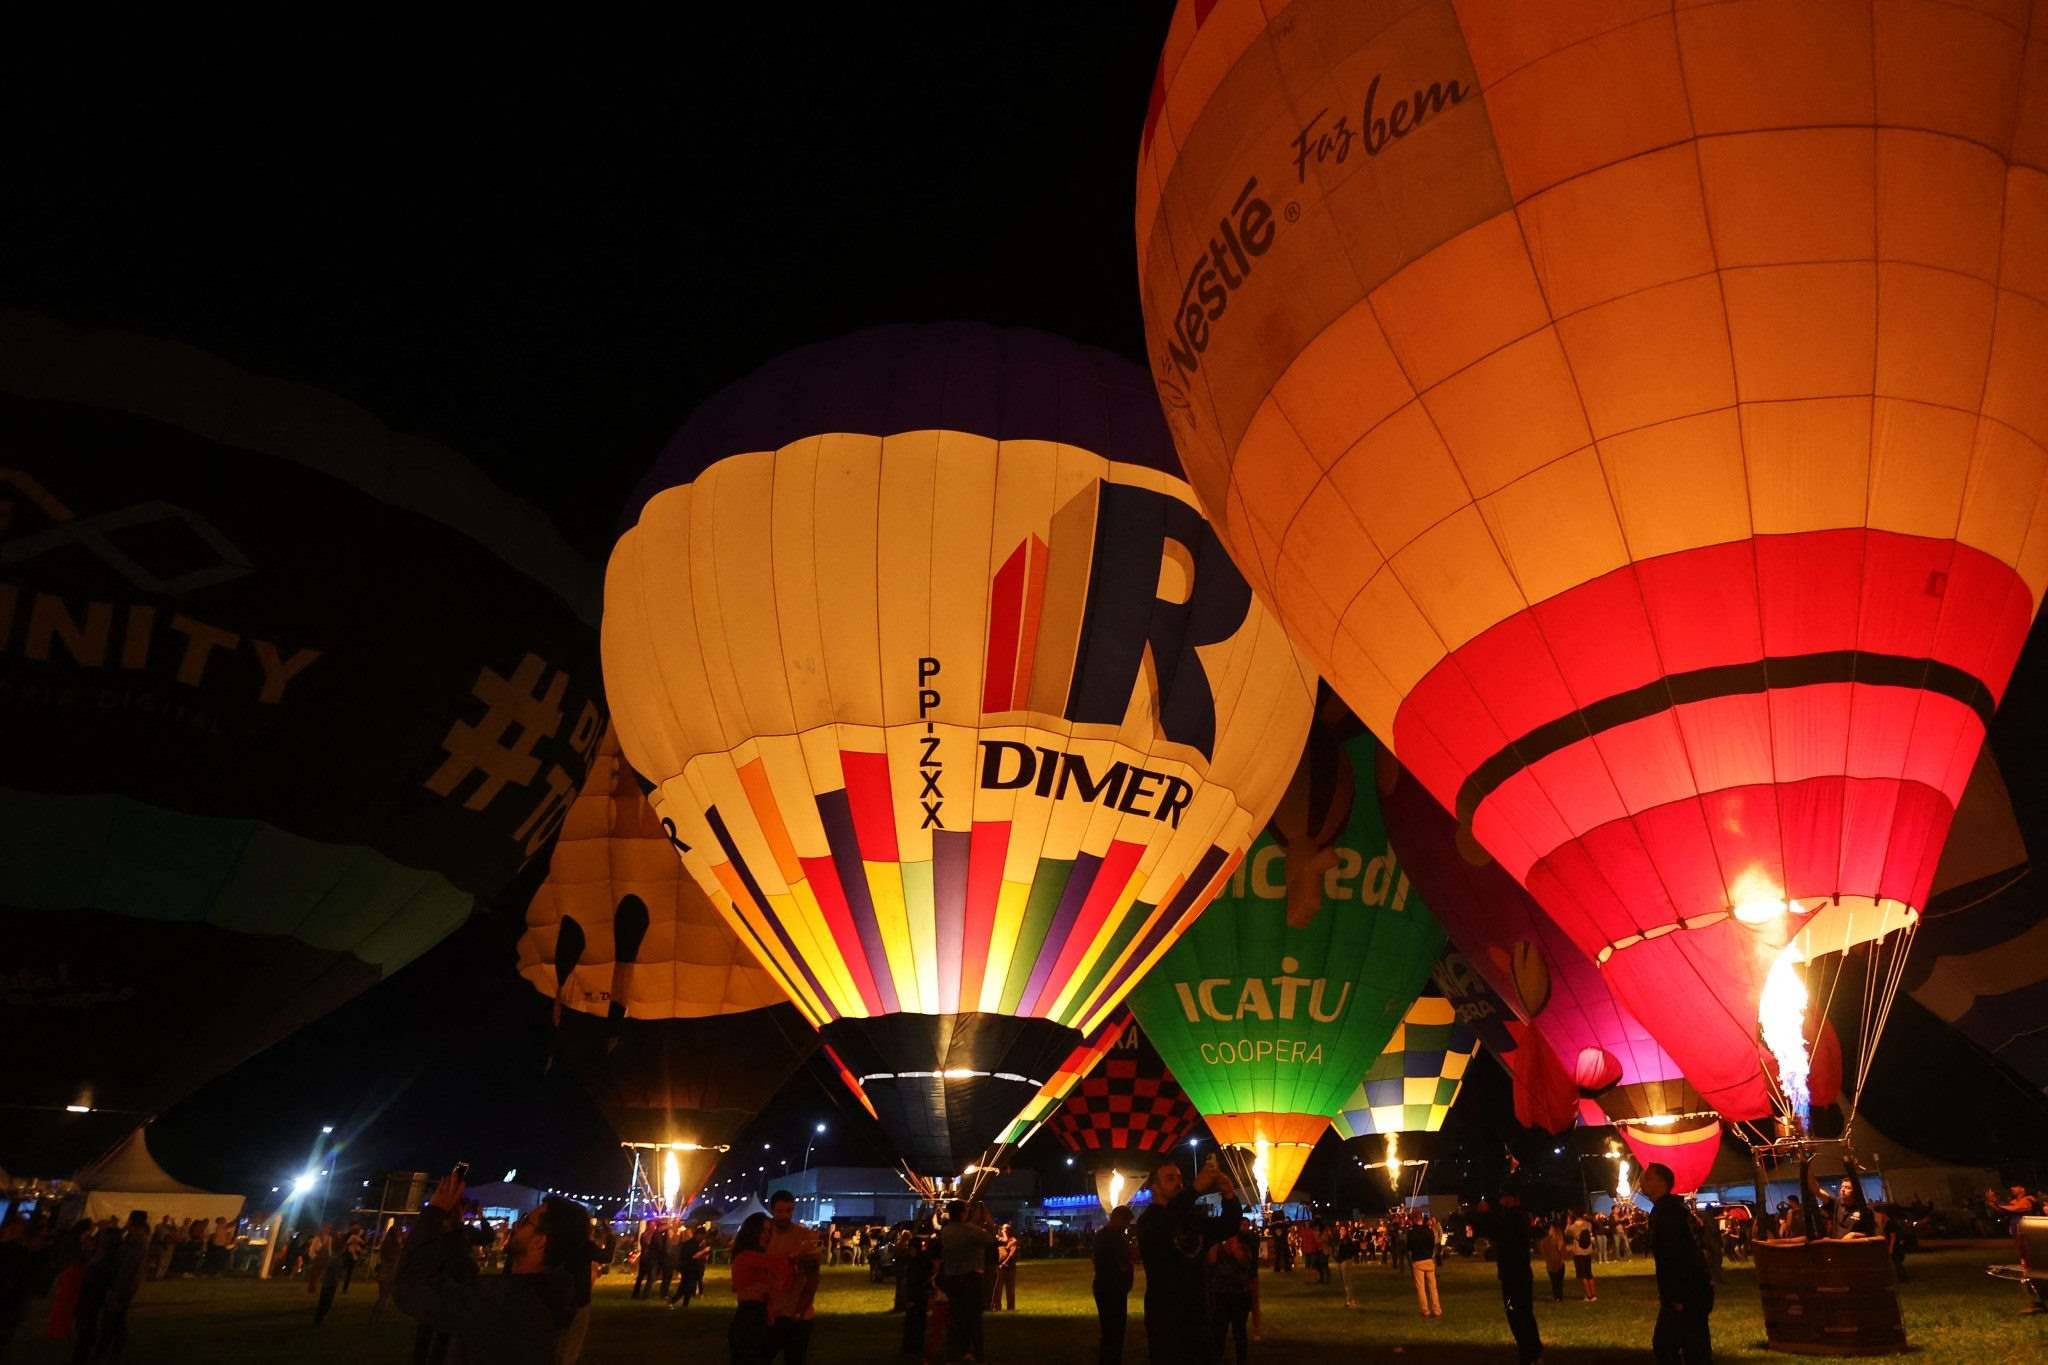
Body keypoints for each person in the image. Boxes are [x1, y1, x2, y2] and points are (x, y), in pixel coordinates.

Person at [395, 1171, 590, 1365]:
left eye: (525, 1221)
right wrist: (455, 1230)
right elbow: (465, 1283)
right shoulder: (547, 1297)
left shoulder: (505, 1300)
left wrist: (434, 1212)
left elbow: (411, 1291)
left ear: (539, 1241)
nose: (516, 1225)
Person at [1135, 1156, 1241, 1365]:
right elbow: (1167, 1221)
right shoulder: (1149, 1221)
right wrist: (1194, 1189)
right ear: (1154, 1187)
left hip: (1198, 1313)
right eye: (1170, 1178)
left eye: (1179, 1178)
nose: (1178, 1183)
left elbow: (1228, 1227)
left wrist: (1229, 1195)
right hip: (1166, 1317)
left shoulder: (1191, 1218)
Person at [1644, 1162, 1713, 1364]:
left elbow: (1676, 1253)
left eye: (1647, 1178)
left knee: (1668, 1346)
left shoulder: (1667, 1212)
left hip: (1686, 1291)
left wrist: (1676, 1295)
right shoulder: (1674, 1208)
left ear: (1661, 1182)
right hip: (1694, 1288)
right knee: (1693, 1346)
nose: (1641, 1182)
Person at [762, 1191, 821, 1365]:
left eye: (789, 1210)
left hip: (798, 1313)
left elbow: (813, 1278)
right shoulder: (765, 1235)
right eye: (780, 1211)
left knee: (795, 1358)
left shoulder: (804, 1236)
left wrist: (801, 1310)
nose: (784, 1216)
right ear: (772, 1210)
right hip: (771, 1311)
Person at [1487, 1188, 1543, 1365]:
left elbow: (1496, 1231)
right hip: (1519, 1273)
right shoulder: (1520, 1217)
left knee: (1517, 1314)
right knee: (1523, 1313)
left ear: (1512, 1199)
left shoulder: (1513, 1218)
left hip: (1513, 1275)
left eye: (1504, 1198)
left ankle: (1529, 1352)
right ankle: (1532, 1351)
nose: (1501, 1202)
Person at [937, 1200, 994, 1363]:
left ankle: (956, 1351)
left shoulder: (946, 1231)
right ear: (963, 1213)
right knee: (974, 1318)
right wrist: (987, 1223)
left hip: (952, 1278)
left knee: (956, 1317)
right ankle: (977, 1352)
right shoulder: (971, 1231)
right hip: (970, 1278)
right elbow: (989, 1239)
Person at [727, 1212, 787, 1365]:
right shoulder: (747, 1257)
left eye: (769, 1231)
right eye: (763, 1231)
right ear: (752, 1232)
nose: (766, 1235)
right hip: (750, 1318)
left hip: (760, 1316)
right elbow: (781, 1267)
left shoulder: (757, 1257)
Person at [1204, 1214, 1259, 1365]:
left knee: (1239, 1331)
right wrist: (1218, 1243)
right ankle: (1217, 1358)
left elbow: (1244, 1261)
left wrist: (1234, 1245)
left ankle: (1241, 1359)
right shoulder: (1219, 1246)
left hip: (1239, 1293)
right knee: (1219, 1331)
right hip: (1221, 1293)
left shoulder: (1244, 1245)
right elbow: (1211, 1260)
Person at [1091, 1206, 1135, 1365]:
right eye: (1126, 1221)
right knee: (1114, 1329)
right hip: (1111, 1288)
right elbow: (1120, 1262)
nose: (1127, 1225)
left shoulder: (1107, 1235)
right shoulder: (1111, 1237)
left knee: (1112, 1330)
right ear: (1118, 1219)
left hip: (1110, 1287)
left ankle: (1110, 1358)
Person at [1405, 1215, 1441, 1318]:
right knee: (1433, 1287)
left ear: (1414, 1220)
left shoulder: (1412, 1232)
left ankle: (1425, 1310)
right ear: (1422, 1219)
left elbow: (1409, 1247)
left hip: (1418, 1261)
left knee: (1421, 1287)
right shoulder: (1429, 1231)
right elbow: (1432, 1244)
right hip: (1428, 1260)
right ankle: (1437, 1310)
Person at [369, 1224, 407, 1323]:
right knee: (384, 1297)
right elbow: (396, 1258)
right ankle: (376, 1318)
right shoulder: (394, 1246)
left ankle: (375, 1316)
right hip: (389, 1273)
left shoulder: (386, 1244)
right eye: (399, 1233)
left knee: (383, 1296)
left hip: (384, 1272)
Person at [988, 1222, 1019, 1312]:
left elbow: (1012, 1254)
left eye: (1005, 1229)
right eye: (1003, 1229)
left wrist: (1004, 1263)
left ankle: (1011, 1308)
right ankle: (997, 1307)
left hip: (1010, 1268)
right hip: (1000, 1268)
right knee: (998, 1289)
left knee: (1010, 1289)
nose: (1003, 1230)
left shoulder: (1013, 1240)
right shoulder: (999, 1239)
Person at [1567, 1210, 1597, 1301]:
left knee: (1583, 1275)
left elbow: (1567, 1233)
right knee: (1589, 1273)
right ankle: (1594, 1295)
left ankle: (1588, 1296)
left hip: (1578, 1252)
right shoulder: (1588, 1224)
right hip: (1588, 1251)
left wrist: (1568, 1223)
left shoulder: (1572, 1227)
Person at [1335, 1221, 1363, 1308]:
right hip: (1340, 1261)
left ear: (1346, 1231)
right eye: (1341, 1229)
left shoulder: (1347, 1240)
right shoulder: (1339, 1239)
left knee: (1347, 1281)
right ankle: (1351, 1299)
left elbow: (1349, 1250)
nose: (1342, 1231)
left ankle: (1349, 1300)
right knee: (1344, 1281)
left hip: (1346, 1261)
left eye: (1343, 1229)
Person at [1539, 1220, 1567, 1302]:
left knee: (1555, 1282)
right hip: (1558, 1263)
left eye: (1550, 1229)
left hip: (1553, 1264)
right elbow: (1563, 1252)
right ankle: (1559, 1297)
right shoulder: (1558, 1240)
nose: (1549, 1230)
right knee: (1558, 1282)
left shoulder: (1549, 1240)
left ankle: (1557, 1296)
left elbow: (1543, 1250)